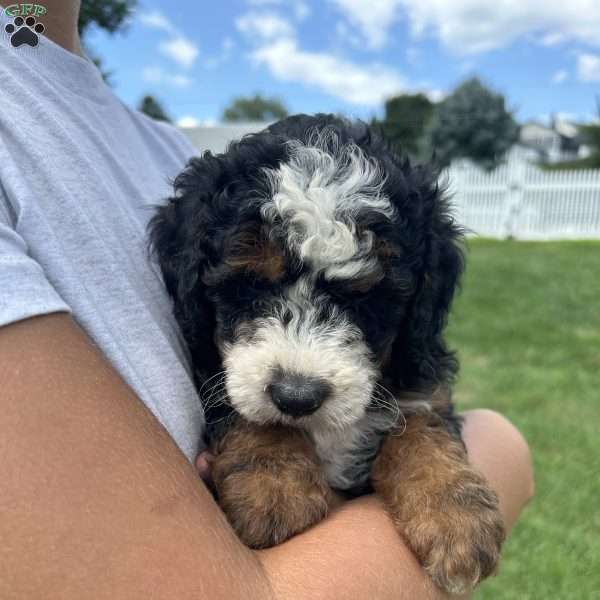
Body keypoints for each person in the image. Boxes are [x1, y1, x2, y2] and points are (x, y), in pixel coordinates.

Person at [0, 2, 534, 598]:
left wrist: (428, 455)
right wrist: (501, 446)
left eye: (358, 300)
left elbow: (424, 408)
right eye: (251, 289)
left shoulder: (158, 145)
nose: (297, 375)